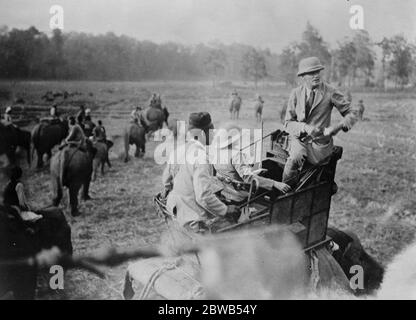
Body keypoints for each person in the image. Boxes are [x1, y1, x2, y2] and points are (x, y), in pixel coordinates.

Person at [283, 57, 358, 187]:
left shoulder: (330, 92)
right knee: (295, 157)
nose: (316, 76)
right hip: (299, 140)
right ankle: (285, 193)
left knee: (315, 180)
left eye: (318, 72)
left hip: (319, 144)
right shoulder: (295, 94)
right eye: (312, 73)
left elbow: (352, 113)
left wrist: (339, 126)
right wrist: (305, 127)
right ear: (303, 77)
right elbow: (288, 123)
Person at [165, 112, 240, 234]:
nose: (213, 133)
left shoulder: (179, 150)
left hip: (174, 211)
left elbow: (166, 180)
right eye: (212, 130)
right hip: (192, 218)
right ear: (204, 132)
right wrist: (226, 210)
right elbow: (203, 197)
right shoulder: (200, 157)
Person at [210, 123, 291, 203]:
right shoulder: (236, 155)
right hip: (242, 192)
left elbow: (231, 173)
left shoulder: (216, 153)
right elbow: (248, 178)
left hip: (227, 190)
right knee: (274, 175)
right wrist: (275, 183)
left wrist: (254, 172)